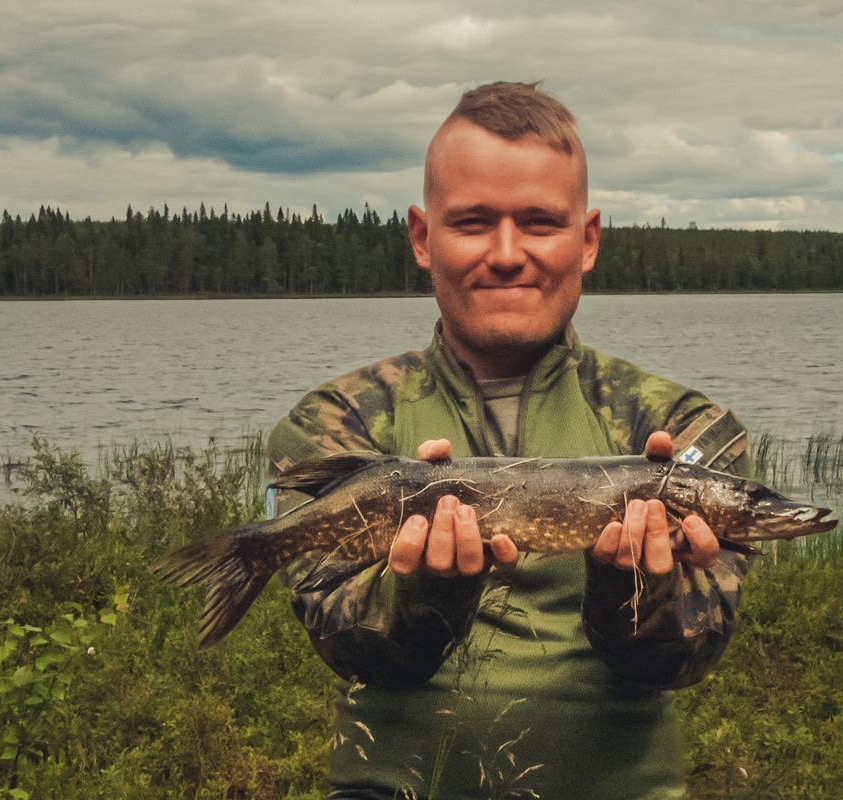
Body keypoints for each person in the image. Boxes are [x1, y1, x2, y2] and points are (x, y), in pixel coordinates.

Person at [267, 81, 751, 800]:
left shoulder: (686, 426)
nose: (506, 253)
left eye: (538, 222)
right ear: (423, 238)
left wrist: (631, 587)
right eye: (471, 222)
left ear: (585, 241)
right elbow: (350, 649)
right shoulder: (336, 422)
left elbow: (682, 659)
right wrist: (426, 593)